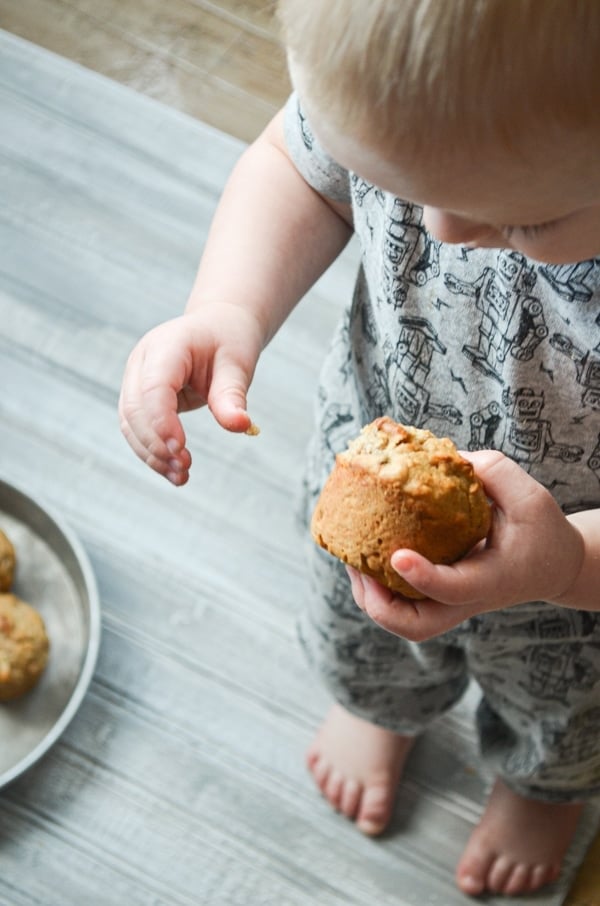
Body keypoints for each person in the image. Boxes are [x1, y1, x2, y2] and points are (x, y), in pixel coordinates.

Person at [119, 0, 600, 897]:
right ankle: (385, 706)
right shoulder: (403, 112)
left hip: (581, 573)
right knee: (364, 628)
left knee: (570, 707)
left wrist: (569, 563)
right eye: (400, 187)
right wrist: (227, 309)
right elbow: (293, 172)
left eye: (526, 224)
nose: (445, 232)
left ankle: (544, 788)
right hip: (367, 467)